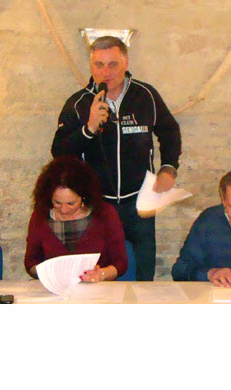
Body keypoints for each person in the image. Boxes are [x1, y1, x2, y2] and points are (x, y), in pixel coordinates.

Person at [51, 35, 182, 281]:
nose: (106, 72)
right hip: (97, 206)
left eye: (113, 64)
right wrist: (89, 127)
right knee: (99, 276)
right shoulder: (78, 103)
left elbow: (170, 131)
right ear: (91, 66)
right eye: (99, 65)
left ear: (126, 63)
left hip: (140, 203)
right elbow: (59, 151)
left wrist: (168, 168)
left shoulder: (146, 95)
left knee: (143, 276)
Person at [24, 155, 128, 282]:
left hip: (98, 288)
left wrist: (101, 274)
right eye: (57, 202)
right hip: (58, 288)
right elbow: (31, 262)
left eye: (71, 203)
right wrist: (46, 272)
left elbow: (120, 263)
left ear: (84, 196)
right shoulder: (41, 216)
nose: (64, 210)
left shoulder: (105, 214)